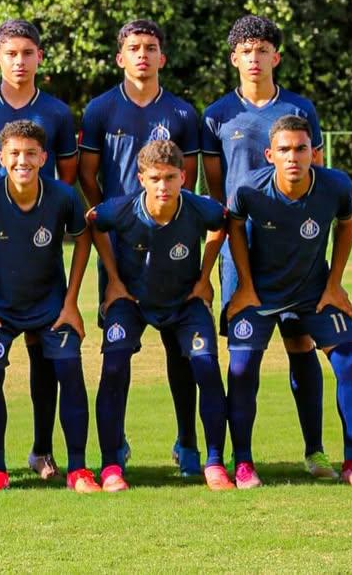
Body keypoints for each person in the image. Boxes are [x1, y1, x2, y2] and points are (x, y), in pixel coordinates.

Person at [202, 14, 338, 480]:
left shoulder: (301, 108)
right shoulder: (217, 115)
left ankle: (315, 451)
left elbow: (317, 175)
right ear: (234, 59)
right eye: (246, 51)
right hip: (242, 253)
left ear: (275, 57)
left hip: (297, 254)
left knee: (301, 343)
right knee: (245, 359)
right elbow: (218, 189)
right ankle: (242, 459)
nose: (254, 59)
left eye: (263, 50)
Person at [0, 19, 78, 479]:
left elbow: (67, 178)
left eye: (27, 53)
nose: (19, 61)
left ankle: (42, 450)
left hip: (39, 248)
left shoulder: (57, 112)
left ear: (39, 57)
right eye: (11, 53)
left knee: (44, 350)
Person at [78, 19, 203, 476]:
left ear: (162, 57)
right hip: (120, 251)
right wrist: (116, 217)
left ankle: (187, 442)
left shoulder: (182, 113)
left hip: (173, 248)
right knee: (117, 353)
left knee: (182, 351)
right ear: (121, 57)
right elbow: (87, 174)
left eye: (151, 47)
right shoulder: (100, 110)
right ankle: (116, 444)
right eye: (134, 48)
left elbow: (188, 177)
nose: (143, 55)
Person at [224, 115, 352, 489]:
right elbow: (234, 228)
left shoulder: (335, 186)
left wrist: (334, 284)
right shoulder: (249, 188)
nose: (293, 157)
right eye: (284, 150)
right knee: (242, 369)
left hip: (313, 292)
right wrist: (244, 285)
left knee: (349, 359)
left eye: (301, 149)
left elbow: (347, 223)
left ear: (313, 153)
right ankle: (243, 462)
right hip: (259, 292)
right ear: (270, 155)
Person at [0, 120, 98, 493]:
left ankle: (78, 469)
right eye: (14, 153)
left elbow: (83, 238)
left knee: (69, 371)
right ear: (1, 157)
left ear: (44, 157)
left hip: (51, 306)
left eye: (31, 153)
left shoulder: (63, 196)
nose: (22, 161)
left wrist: (71, 301)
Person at [88, 140, 232, 492]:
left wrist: (205, 278)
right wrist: (113, 279)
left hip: (184, 301)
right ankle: (111, 462)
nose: (163, 186)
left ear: (183, 176)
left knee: (205, 367)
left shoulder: (198, 207)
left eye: (170, 177)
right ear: (141, 179)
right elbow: (93, 222)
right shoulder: (121, 209)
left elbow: (222, 222)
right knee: (114, 365)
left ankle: (209, 459)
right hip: (132, 301)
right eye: (155, 178)